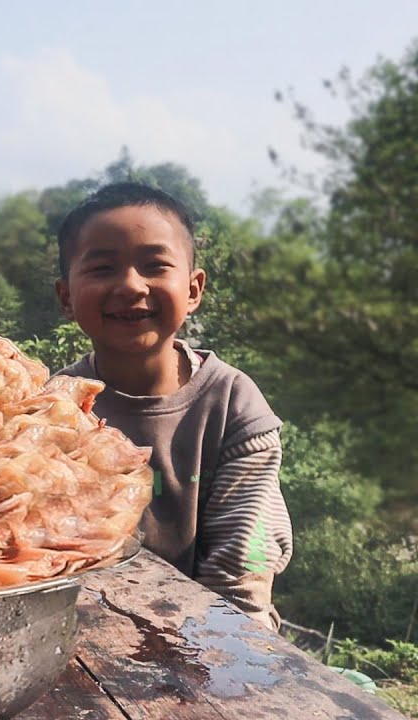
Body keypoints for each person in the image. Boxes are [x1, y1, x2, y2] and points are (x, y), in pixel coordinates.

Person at [52, 182, 292, 630]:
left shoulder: (232, 405)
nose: (130, 285)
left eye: (155, 266)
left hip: (211, 635)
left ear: (194, 289)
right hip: (79, 631)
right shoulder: (51, 409)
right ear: (66, 296)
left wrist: (234, 659)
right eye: (103, 268)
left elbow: (242, 568)